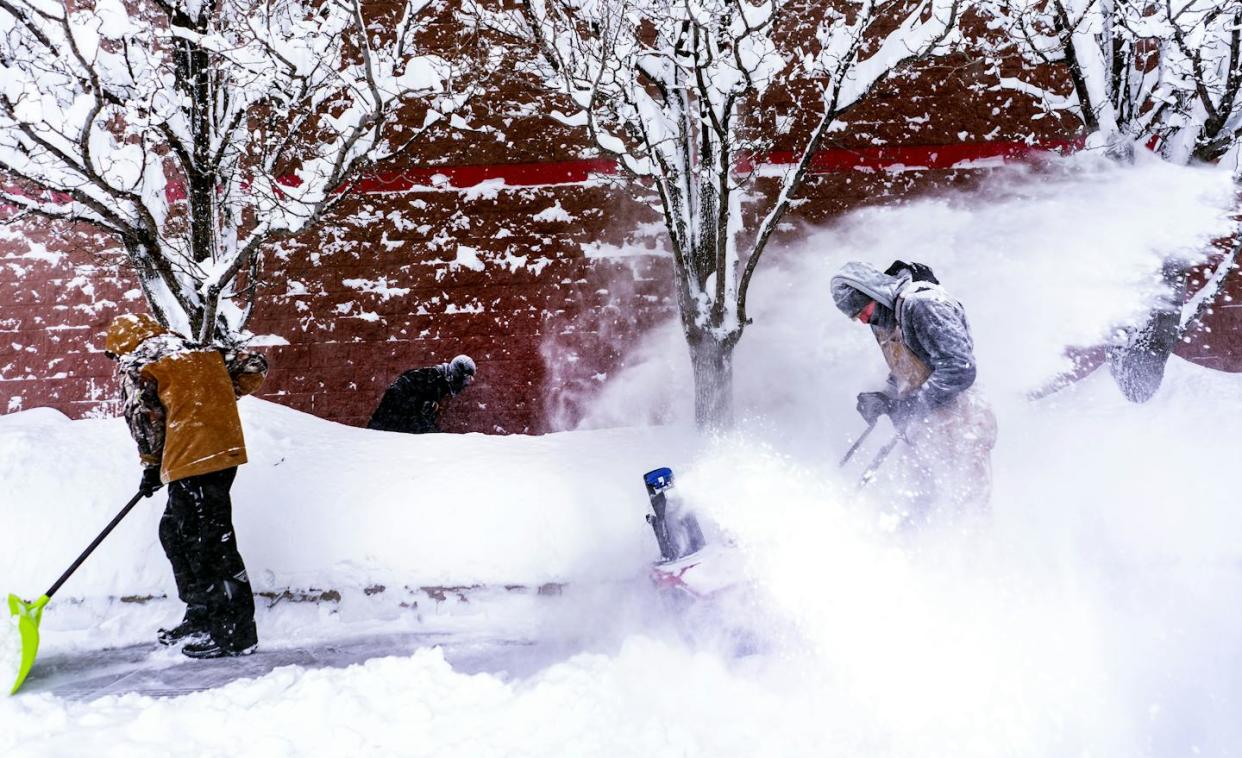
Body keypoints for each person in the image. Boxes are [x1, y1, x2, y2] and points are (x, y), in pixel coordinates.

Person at [105, 313, 268, 658]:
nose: (116, 361)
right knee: (175, 533)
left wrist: (150, 465)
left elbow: (143, 417)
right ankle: (202, 614)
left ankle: (233, 634)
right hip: (220, 451)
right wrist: (210, 399)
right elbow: (254, 365)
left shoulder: (139, 362)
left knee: (208, 544)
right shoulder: (195, 349)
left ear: (120, 346)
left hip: (194, 457)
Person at [830, 261, 997, 522]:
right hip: (925, 423)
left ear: (873, 292)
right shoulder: (886, 319)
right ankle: (915, 555)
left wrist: (914, 404)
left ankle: (975, 559)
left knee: (967, 506)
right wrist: (886, 398)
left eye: (862, 310)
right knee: (915, 499)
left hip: (961, 420)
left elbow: (959, 367)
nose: (861, 319)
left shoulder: (923, 305)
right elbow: (910, 366)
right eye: (854, 316)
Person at [367, 355, 476, 434]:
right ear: (456, 375)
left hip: (390, 429)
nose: (464, 384)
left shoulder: (436, 380)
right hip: (386, 430)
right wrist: (436, 436)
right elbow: (401, 404)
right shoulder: (430, 380)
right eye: (465, 379)